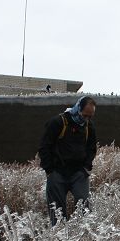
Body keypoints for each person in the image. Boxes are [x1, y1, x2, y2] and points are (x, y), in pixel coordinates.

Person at [38, 96, 97, 225]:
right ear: (78, 109)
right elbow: (44, 147)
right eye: (85, 115)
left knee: (84, 208)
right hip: (57, 173)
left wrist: (86, 168)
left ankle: (83, 235)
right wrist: (49, 170)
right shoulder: (58, 122)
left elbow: (92, 148)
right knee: (57, 213)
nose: (87, 119)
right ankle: (60, 239)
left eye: (90, 116)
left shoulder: (89, 127)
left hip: (79, 174)